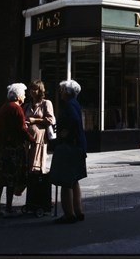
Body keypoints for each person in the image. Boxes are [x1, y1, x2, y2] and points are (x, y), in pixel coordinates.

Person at [0, 83, 35, 217]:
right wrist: (32, 140)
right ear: (17, 96)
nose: (24, 96)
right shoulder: (17, 109)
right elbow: (21, 129)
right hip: (13, 148)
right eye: (23, 93)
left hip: (2, 147)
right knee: (11, 178)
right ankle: (8, 207)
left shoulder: (4, 107)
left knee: (1, 179)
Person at [52, 79, 87, 224]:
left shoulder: (68, 105)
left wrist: (64, 134)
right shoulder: (75, 104)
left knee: (65, 182)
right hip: (78, 146)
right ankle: (78, 211)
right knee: (74, 180)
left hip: (69, 147)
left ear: (67, 92)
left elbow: (73, 120)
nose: (60, 92)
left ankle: (69, 214)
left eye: (61, 90)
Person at [23, 80, 56, 173]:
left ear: (40, 90)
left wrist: (35, 120)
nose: (33, 91)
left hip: (39, 140)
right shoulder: (27, 106)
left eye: (35, 89)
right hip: (27, 141)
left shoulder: (46, 103)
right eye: (31, 89)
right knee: (27, 165)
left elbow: (51, 120)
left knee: (36, 166)